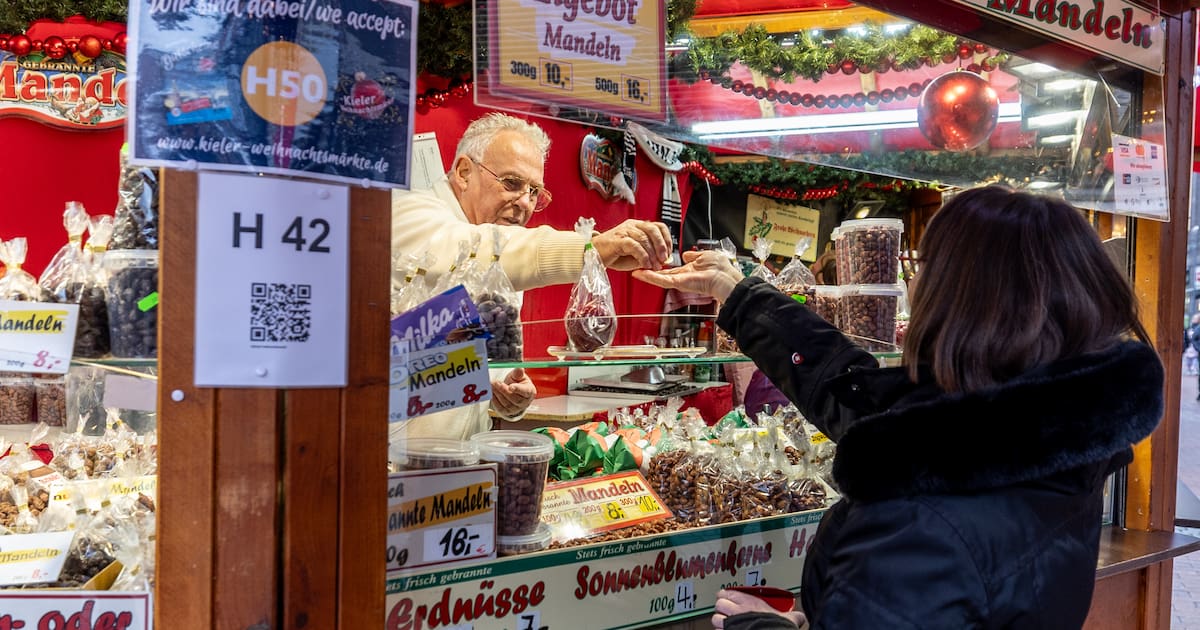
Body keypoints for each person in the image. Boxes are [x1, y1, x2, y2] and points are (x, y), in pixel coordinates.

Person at [633, 185, 1164, 629]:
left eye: (926, 270)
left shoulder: (920, 527)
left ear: (958, 301)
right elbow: (866, 399)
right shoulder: (1051, 436)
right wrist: (739, 293)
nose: (914, 282)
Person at [392, 113, 673, 440]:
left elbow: (489, 369)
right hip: (386, 463)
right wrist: (591, 247)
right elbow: (473, 249)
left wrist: (509, 396)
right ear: (464, 172)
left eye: (534, 191)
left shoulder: (503, 254)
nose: (525, 202)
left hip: (459, 465)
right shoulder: (411, 213)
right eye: (512, 183)